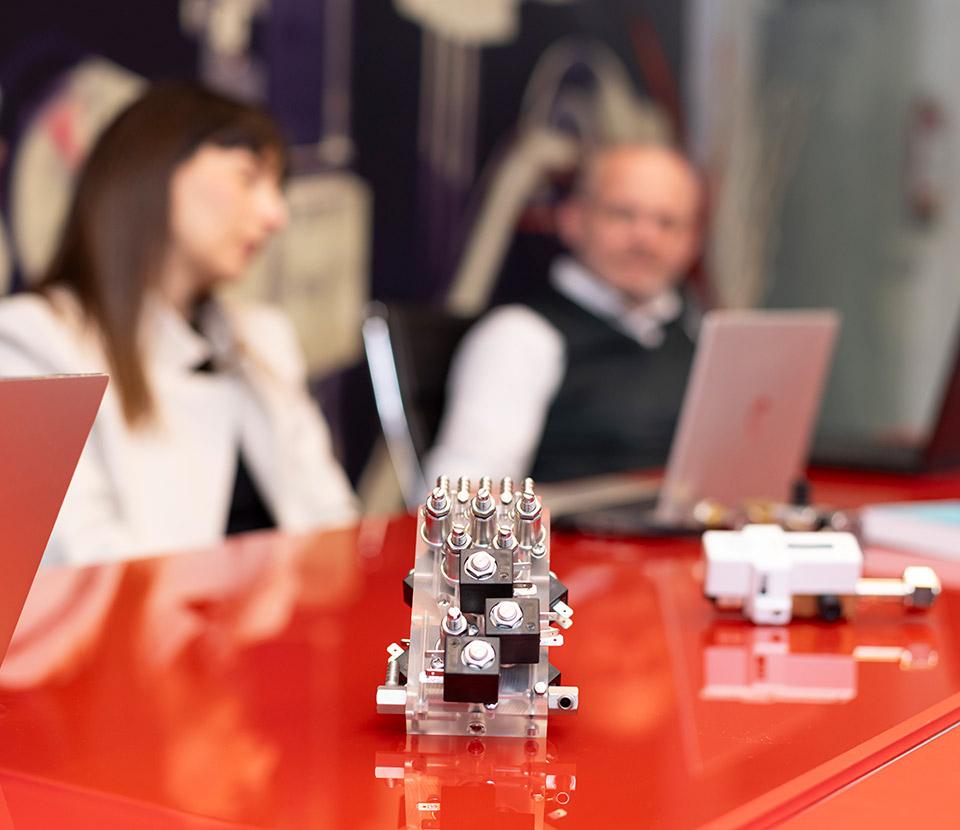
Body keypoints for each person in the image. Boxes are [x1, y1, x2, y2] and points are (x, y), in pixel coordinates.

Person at [0, 81, 358, 567]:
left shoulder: (265, 338)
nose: (275, 215)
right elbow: (82, 563)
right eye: (248, 177)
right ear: (154, 172)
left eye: (278, 189)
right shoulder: (31, 340)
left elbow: (335, 524)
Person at [424, 142, 704, 484]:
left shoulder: (698, 334)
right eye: (623, 214)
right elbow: (463, 494)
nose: (644, 238)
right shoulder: (520, 337)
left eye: (667, 222)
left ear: (692, 241)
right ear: (573, 220)